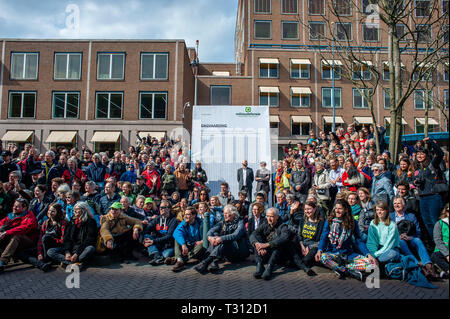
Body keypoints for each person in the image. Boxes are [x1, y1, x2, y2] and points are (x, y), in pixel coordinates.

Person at [315, 199, 377, 281]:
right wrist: (319, 250)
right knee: (323, 257)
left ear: (345, 210)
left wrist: (368, 254)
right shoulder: (329, 221)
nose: (337, 211)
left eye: (340, 208)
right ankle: (349, 272)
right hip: (332, 253)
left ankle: (340, 268)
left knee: (372, 264)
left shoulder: (352, 222)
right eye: (336, 208)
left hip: (347, 254)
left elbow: (358, 240)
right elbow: (324, 237)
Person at [250, 207, 310, 280]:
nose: (269, 218)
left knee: (278, 245)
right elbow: (254, 234)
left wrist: (266, 245)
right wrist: (257, 244)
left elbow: (283, 238)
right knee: (256, 241)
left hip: (280, 254)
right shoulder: (265, 223)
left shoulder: (283, 226)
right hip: (267, 251)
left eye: (271, 216)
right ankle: (259, 265)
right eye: (267, 216)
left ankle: (270, 267)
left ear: (277, 217)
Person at [389, 196, 438, 279]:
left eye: (399, 203)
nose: (396, 205)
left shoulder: (411, 216)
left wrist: (410, 237)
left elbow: (418, 232)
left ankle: (429, 266)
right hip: (398, 241)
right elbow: (388, 233)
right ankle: (418, 266)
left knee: (417, 240)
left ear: (404, 205)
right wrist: (398, 237)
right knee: (402, 242)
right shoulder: (390, 217)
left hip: (410, 239)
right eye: (395, 203)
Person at [194, 204, 250, 274]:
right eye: (224, 213)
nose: (224, 215)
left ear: (233, 214)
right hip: (227, 252)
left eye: (226, 213)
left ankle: (207, 261)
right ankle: (212, 262)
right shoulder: (223, 222)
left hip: (239, 253)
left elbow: (235, 235)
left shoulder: (240, 223)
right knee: (215, 235)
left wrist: (220, 238)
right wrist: (210, 238)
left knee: (224, 241)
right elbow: (211, 231)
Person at [17, 203, 67, 272]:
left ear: (57, 212)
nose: (50, 213)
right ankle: (41, 264)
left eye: (53, 211)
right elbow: (40, 239)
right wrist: (39, 253)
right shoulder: (45, 223)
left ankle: (47, 260)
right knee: (20, 253)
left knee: (46, 237)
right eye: (49, 210)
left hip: (55, 247)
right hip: (43, 249)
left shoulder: (62, 223)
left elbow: (63, 240)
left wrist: (52, 239)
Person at [47, 201, 97, 270]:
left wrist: (77, 253)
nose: (74, 212)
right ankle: (75, 263)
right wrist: (67, 252)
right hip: (71, 248)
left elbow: (89, 240)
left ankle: (70, 262)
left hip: (81, 249)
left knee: (90, 248)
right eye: (74, 210)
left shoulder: (90, 222)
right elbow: (66, 237)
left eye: (77, 210)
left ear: (84, 210)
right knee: (50, 251)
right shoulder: (72, 221)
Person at [413, 138, 445, 239]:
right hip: (422, 198)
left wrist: (430, 142)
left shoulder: (432, 165)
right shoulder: (417, 169)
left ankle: (443, 244)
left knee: (435, 221)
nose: (419, 156)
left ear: (426, 155)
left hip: (433, 197)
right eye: (418, 154)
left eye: (422, 154)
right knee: (427, 223)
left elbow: (440, 154)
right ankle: (435, 245)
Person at [0, 198, 38, 272]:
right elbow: (2, 222)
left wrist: (6, 232)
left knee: (16, 236)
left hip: (28, 241)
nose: (14, 208)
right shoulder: (13, 214)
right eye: (14, 205)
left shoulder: (29, 216)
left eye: (17, 207)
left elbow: (23, 228)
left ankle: (2, 261)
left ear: (24, 208)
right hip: (13, 239)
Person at [142, 199, 178, 265]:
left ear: (169, 209)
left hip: (168, 246)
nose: (161, 209)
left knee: (166, 255)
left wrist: (153, 241)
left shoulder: (174, 220)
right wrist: (143, 240)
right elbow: (147, 229)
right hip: (157, 244)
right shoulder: (157, 219)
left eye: (163, 207)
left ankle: (156, 255)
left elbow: (169, 236)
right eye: (160, 207)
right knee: (146, 236)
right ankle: (157, 256)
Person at [172, 206, 206, 272]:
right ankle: (179, 260)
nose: (185, 216)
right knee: (177, 239)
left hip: (197, 248)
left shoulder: (200, 223)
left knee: (202, 246)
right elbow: (176, 232)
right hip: (188, 246)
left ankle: (182, 260)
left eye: (188, 214)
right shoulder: (184, 223)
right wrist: (183, 244)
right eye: (185, 214)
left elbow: (207, 236)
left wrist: (202, 241)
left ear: (194, 215)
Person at [296, 201, 324, 270]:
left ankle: (302, 264)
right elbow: (299, 235)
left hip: (313, 246)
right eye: (305, 209)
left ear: (314, 209)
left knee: (305, 261)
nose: (307, 211)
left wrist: (309, 247)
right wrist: (302, 246)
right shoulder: (303, 220)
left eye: (309, 209)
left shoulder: (320, 222)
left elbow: (321, 239)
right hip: (302, 245)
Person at [431, 204, 449, 279]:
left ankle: (443, 271)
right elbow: (437, 240)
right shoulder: (439, 224)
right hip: (442, 251)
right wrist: (447, 254)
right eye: (448, 211)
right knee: (435, 256)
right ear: (446, 212)